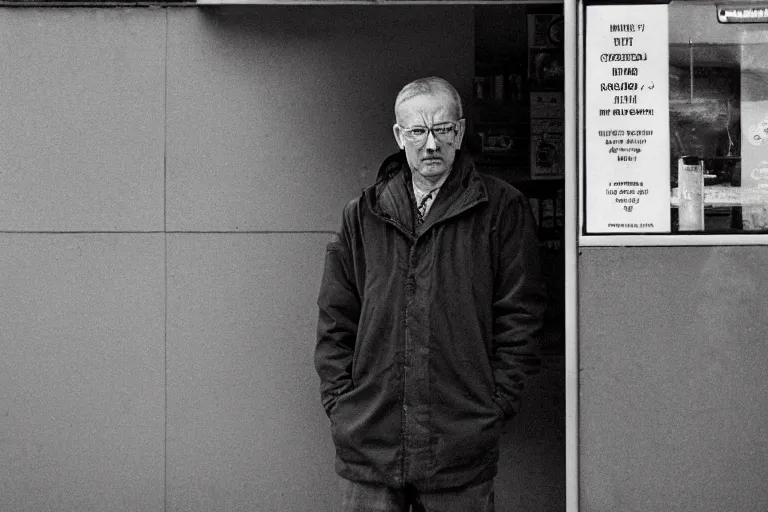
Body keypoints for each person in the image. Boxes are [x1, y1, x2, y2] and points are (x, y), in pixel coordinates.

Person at [314, 76, 546, 512]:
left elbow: (521, 315)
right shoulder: (361, 215)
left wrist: (495, 404)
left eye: (442, 129)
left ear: (460, 132)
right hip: (371, 437)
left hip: (459, 439)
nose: (431, 144)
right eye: (418, 131)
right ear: (400, 136)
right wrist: (341, 403)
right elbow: (335, 320)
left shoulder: (501, 208)